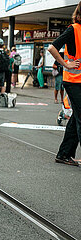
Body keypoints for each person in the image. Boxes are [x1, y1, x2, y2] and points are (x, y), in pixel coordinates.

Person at [48, 1, 81, 166]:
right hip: (73, 81)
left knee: (77, 118)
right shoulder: (73, 29)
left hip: (79, 82)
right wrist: (66, 64)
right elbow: (52, 48)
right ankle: (64, 154)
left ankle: (64, 154)